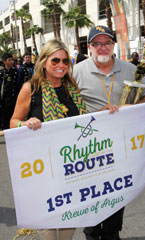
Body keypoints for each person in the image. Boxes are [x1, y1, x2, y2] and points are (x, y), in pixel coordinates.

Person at [10, 39, 118, 240]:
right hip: (46, 169)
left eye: (65, 61)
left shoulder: (71, 86)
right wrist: (24, 124)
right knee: (50, 227)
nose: (61, 65)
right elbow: (13, 121)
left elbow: (81, 122)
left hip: (73, 167)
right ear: (43, 62)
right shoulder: (30, 88)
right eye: (55, 60)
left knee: (69, 222)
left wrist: (103, 112)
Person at [73, 25, 145, 240]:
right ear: (89, 46)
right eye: (96, 43)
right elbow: (68, 108)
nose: (102, 47)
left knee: (116, 192)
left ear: (113, 45)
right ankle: (91, 232)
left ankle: (111, 233)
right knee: (90, 195)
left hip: (120, 147)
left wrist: (131, 109)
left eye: (107, 42)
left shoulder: (130, 69)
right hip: (88, 149)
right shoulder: (75, 72)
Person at [0, 53, 21, 130]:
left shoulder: (16, 72)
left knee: (15, 115)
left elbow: (19, 84)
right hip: (4, 99)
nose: (12, 61)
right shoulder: (2, 73)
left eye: (12, 60)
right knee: (5, 117)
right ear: (4, 61)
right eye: (9, 60)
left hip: (14, 98)